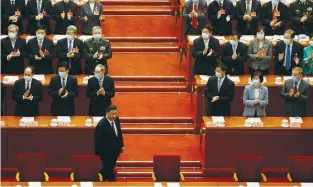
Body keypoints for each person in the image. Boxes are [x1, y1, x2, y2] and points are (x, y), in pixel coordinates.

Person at [95, 105, 124, 181]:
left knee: (108, 167)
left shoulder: (117, 120)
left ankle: (102, 178)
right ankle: (111, 181)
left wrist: (121, 145)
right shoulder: (101, 125)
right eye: (112, 114)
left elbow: (119, 133)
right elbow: (98, 140)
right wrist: (98, 154)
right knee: (108, 168)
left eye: (115, 113)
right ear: (107, 113)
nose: (114, 116)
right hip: (106, 152)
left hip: (115, 151)